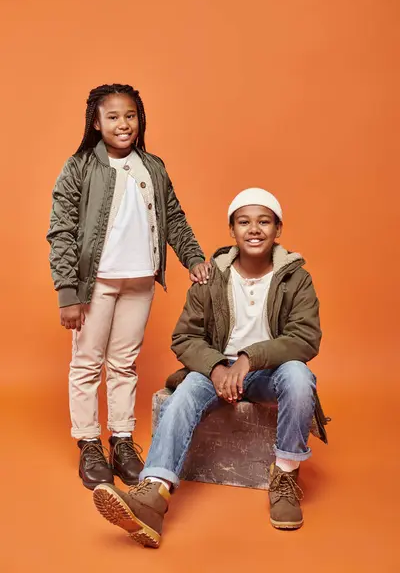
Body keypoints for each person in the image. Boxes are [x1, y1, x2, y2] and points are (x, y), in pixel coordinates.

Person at [92, 188, 330, 547]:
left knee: (299, 376)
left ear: (278, 229)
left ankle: (284, 478)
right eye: (244, 222)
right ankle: (153, 495)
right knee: (186, 390)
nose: (254, 229)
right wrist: (218, 367)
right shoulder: (211, 276)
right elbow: (185, 338)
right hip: (216, 369)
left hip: (268, 372)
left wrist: (249, 358)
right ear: (232, 230)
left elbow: (305, 338)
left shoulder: (296, 278)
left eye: (264, 221)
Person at [47, 83, 210, 490]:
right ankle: (88, 442)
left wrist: (192, 256)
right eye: (114, 116)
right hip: (94, 283)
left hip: (140, 281)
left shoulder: (152, 165)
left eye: (131, 115)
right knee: (87, 363)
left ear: (140, 120)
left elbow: (173, 216)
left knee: (123, 364)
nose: (124, 124)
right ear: (96, 122)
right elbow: (62, 231)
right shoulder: (80, 166)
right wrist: (68, 292)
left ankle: (121, 440)